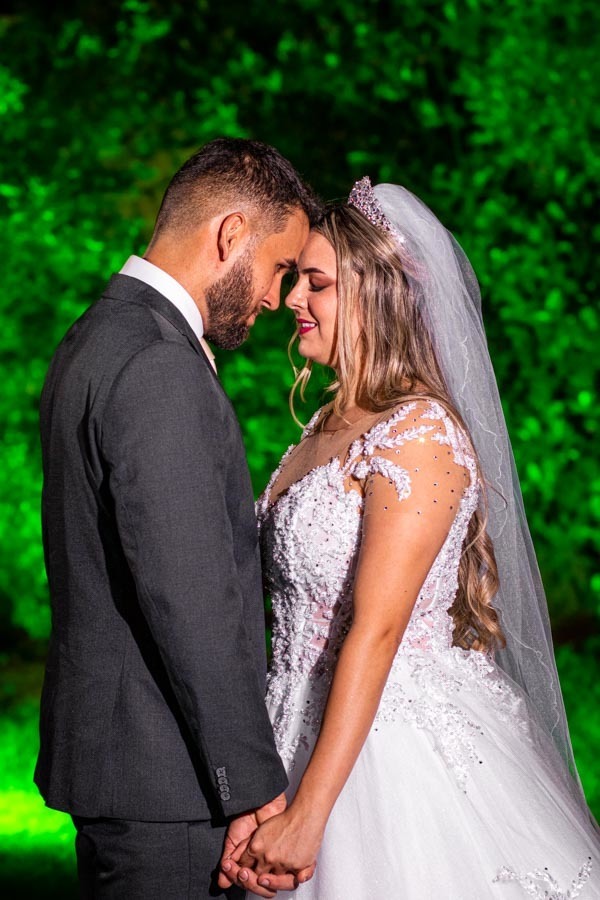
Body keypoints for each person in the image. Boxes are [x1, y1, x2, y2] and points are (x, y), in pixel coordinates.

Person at [218, 178, 600, 898]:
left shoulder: (418, 434)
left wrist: (312, 812)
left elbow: (379, 628)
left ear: (375, 295)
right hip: (289, 720)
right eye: (297, 280)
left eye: (318, 284)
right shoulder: (324, 426)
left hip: (390, 755)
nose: (294, 299)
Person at [35, 137, 323, 899]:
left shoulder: (96, 335)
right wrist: (254, 790)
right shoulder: (160, 364)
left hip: (124, 772)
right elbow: (189, 599)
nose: (274, 297)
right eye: (277, 268)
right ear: (230, 235)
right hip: (167, 787)